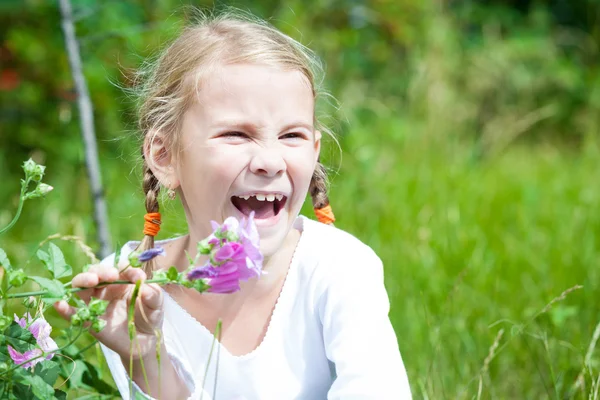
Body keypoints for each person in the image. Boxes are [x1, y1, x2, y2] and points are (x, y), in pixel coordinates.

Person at [54, 9, 412, 400]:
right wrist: (143, 360)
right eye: (236, 134)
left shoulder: (338, 269)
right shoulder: (131, 291)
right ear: (165, 155)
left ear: (314, 151)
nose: (270, 161)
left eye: (291, 135)